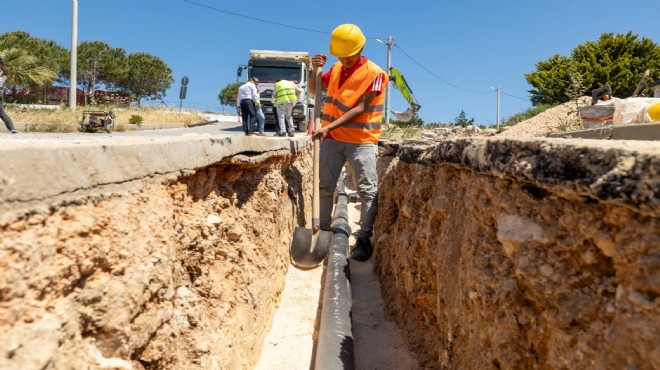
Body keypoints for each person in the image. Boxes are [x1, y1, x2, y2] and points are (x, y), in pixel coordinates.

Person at [310, 24, 389, 262]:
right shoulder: (334, 68)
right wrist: (314, 70)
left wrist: (329, 127)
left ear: (361, 48)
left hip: (361, 140)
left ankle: (363, 238)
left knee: (367, 191)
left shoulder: (376, 73)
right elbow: (314, 90)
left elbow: (362, 107)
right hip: (333, 139)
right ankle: (323, 231)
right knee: (324, 187)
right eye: (340, 55)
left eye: (348, 55)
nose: (344, 60)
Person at [0, 58, 17, 134]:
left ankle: (12, 128)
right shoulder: (4, 71)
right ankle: (12, 128)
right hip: (0, 91)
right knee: (1, 112)